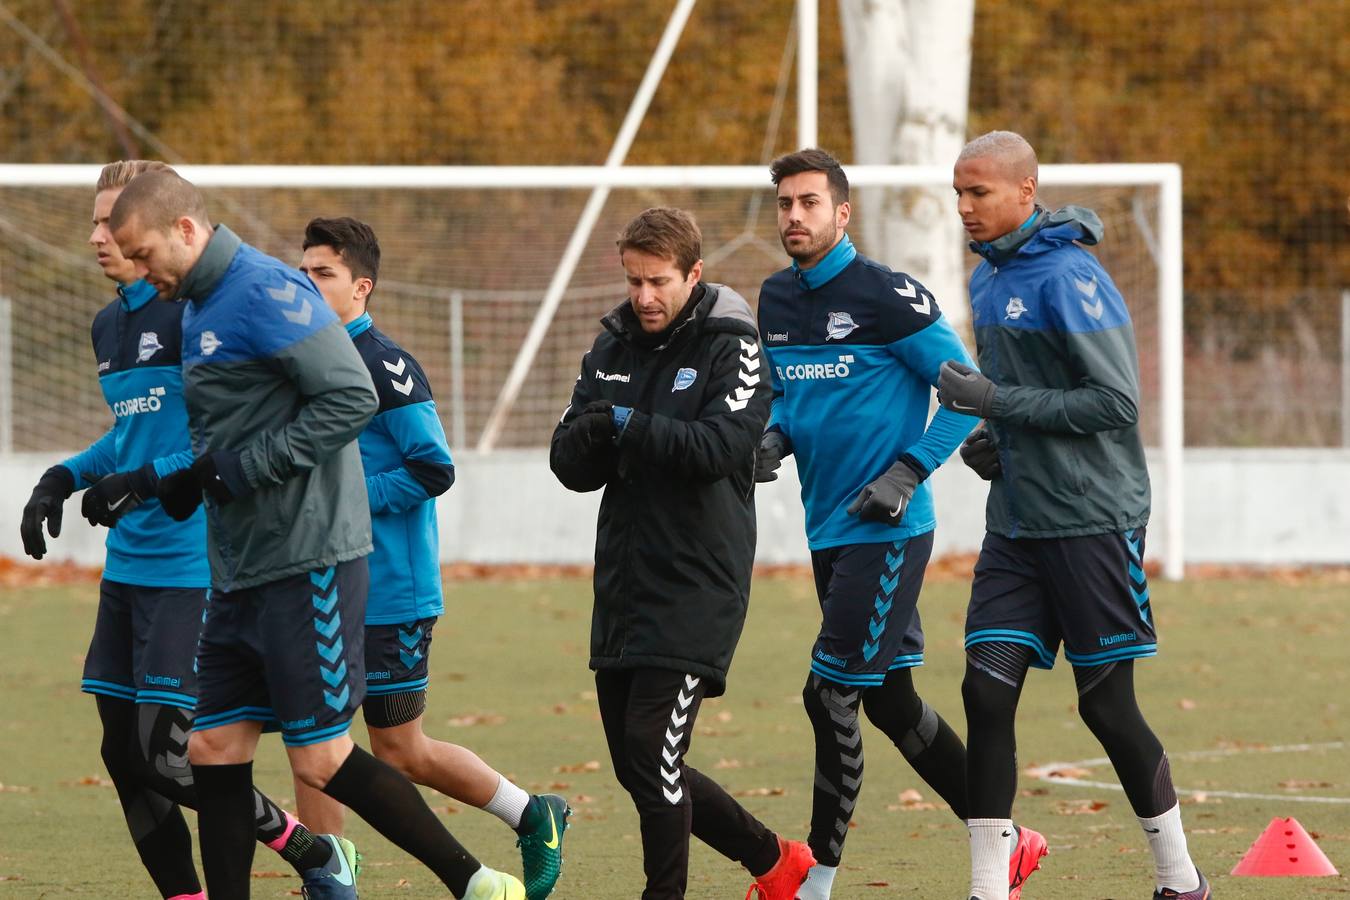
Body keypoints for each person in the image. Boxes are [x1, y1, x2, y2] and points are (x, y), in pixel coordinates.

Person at [108, 169, 524, 900]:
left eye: (143, 255)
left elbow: (349, 397)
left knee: (325, 759)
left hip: (310, 563)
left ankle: (478, 882)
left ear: (184, 230)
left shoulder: (264, 292)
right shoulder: (198, 305)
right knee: (210, 749)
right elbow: (228, 433)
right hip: (239, 566)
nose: (140, 273)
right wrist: (157, 481)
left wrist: (242, 469)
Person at [18, 159, 353, 900]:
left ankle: (310, 850)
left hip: (191, 561)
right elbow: (128, 434)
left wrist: (144, 482)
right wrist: (63, 477)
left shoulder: (193, 309)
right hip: (126, 569)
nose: (102, 236)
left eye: (115, 222)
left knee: (166, 757)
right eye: (96, 221)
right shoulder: (110, 323)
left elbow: (210, 442)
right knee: (122, 756)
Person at [754, 148, 1045, 900]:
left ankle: (814, 879)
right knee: (889, 700)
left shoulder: (890, 298)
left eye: (809, 202)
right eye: (785, 203)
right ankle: (1004, 839)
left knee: (829, 695)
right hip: (828, 528)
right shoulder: (775, 301)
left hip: (889, 532)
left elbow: (969, 395)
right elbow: (787, 397)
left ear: (841, 213)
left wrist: (907, 471)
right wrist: (773, 438)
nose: (794, 216)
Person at [943, 130, 1209, 900]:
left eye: (979, 192)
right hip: (1018, 525)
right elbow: (1024, 398)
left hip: (1093, 520)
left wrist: (996, 404)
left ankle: (1181, 882)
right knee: (984, 693)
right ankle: (988, 891)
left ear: (1027, 191)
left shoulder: (1070, 275)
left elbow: (1115, 402)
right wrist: (992, 440)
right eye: (958, 193)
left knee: (1107, 707)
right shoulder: (987, 281)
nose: (964, 207)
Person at [292, 216, 569, 899]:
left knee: (399, 750)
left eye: (322, 274)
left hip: (389, 591)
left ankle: (532, 814)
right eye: (301, 273)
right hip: (316, 586)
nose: (307, 285)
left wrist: (346, 497)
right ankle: (330, 875)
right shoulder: (297, 363)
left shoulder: (385, 366)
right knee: (309, 739)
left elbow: (433, 469)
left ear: (361, 287)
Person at [550, 207, 815, 900]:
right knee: (639, 763)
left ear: (694, 274)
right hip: (624, 583)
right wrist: (602, 431)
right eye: (634, 280)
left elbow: (720, 449)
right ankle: (777, 862)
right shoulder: (610, 346)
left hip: (699, 582)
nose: (644, 297)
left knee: (651, 753)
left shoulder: (734, 345)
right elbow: (568, 461)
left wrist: (627, 425)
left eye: (659, 281)